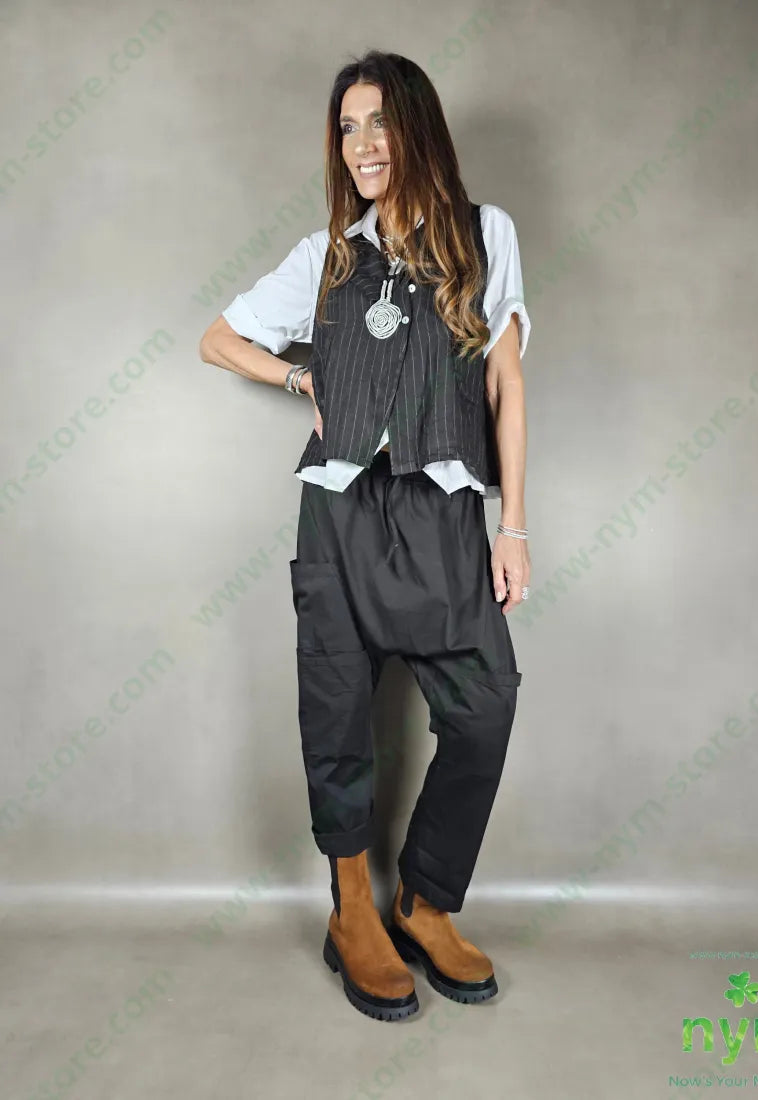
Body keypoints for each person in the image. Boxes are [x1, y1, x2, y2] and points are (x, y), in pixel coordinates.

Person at [199, 49, 531, 1022]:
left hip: (442, 510)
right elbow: (219, 339)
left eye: (378, 121)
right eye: (346, 128)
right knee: (337, 713)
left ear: (417, 127)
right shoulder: (328, 256)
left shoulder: (485, 234)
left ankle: (425, 901)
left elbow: (507, 382)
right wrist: (299, 376)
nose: (361, 144)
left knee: (484, 707)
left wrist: (512, 523)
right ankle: (352, 909)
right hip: (340, 511)